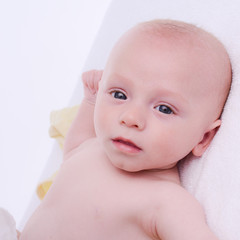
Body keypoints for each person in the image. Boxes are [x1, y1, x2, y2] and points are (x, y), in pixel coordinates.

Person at [20, 19, 232, 240]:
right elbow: (74, 147)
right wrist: (90, 101)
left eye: (164, 109)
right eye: (119, 95)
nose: (131, 118)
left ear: (203, 138)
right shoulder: (89, 149)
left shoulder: (166, 202)